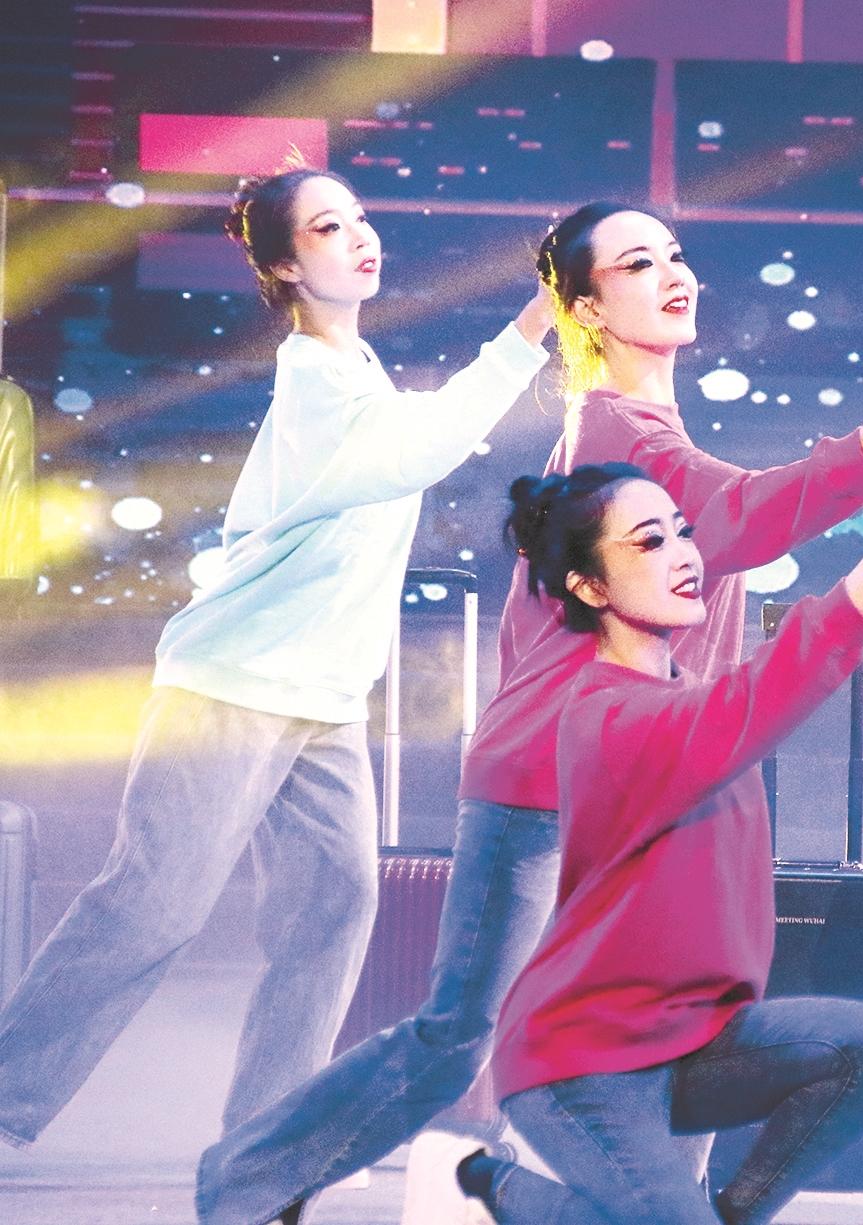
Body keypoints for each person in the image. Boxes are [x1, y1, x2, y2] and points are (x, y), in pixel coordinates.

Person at [196, 201, 863, 1225]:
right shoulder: (614, 426)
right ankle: (250, 1180)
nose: (673, 273)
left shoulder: (649, 426)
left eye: (676, 254)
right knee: (458, 1033)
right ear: (586, 307)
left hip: (645, 785)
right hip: (546, 783)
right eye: (637, 263)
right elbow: (734, 519)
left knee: (678, 1021)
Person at [0, 165, 553, 1149]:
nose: (361, 236)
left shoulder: (356, 367)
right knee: (153, 905)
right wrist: (531, 325)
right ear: (288, 266)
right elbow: (422, 451)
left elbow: (415, 442)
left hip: (323, 695)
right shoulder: (315, 377)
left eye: (360, 218)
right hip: (235, 683)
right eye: (330, 227)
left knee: (336, 904)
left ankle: (264, 1138)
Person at [453, 446, 863, 1223]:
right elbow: (769, 688)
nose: (683, 555)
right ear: (590, 586)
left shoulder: (687, 701)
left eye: (682, 531)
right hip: (579, 1062)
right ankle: (502, 1187)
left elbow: (739, 706)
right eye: (649, 542)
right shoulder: (606, 715)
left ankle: (731, 1215)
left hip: (694, 1042)